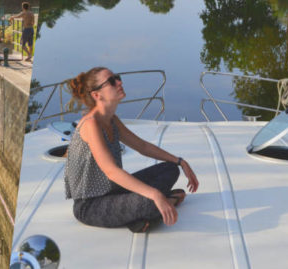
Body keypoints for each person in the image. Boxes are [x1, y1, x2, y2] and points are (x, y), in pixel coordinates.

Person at [65, 67, 198, 232]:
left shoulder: (111, 119)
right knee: (150, 199)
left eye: (117, 78)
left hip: (114, 191)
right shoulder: (91, 124)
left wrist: (180, 161)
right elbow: (111, 171)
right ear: (97, 95)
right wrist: (155, 195)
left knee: (170, 169)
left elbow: (142, 146)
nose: (119, 82)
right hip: (90, 206)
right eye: (112, 81)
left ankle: (146, 212)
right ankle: (163, 203)